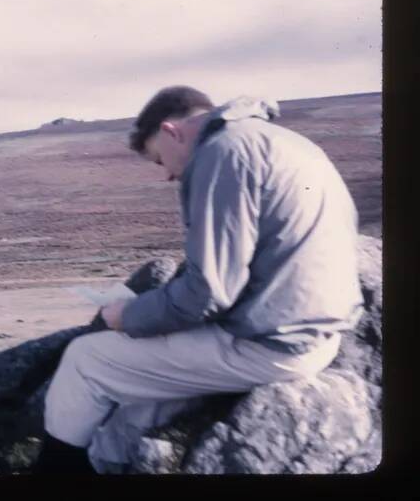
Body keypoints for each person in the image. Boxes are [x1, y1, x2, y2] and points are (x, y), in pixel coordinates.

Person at [33, 85, 364, 473]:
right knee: (136, 390)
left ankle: (53, 470)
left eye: (160, 161)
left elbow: (208, 292)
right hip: (311, 331)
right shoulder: (284, 142)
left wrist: (127, 316)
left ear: (172, 131)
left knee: (85, 360)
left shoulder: (222, 153)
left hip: (273, 344)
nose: (169, 175)